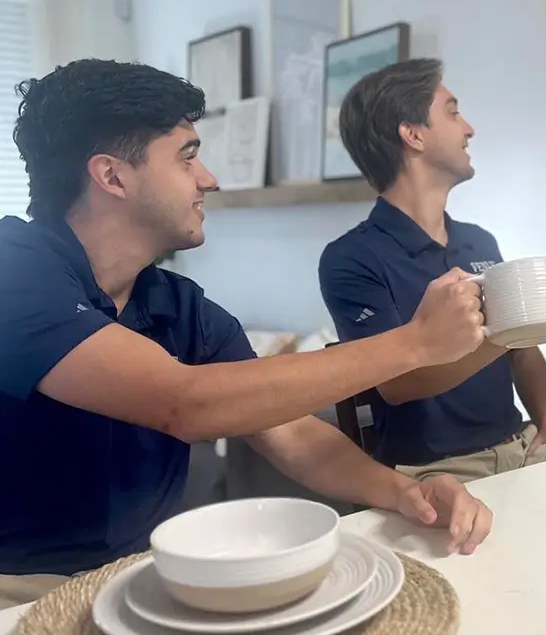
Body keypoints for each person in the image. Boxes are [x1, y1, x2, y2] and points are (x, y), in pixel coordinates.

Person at [0, 59, 493, 607]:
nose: (208, 178)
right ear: (112, 176)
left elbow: (292, 433)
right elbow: (185, 403)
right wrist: (415, 342)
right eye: (187, 157)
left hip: (141, 578)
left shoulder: (176, 304)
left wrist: (407, 494)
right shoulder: (13, 271)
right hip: (21, 589)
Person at [318, 58, 546, 483]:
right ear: (413, 134)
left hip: (520, 448)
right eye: (453, 112)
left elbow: (522, 352)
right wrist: (512, 329)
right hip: (435, 472)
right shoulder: (352, 259)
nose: (469, 128)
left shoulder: (480, 242)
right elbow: (397, 384)